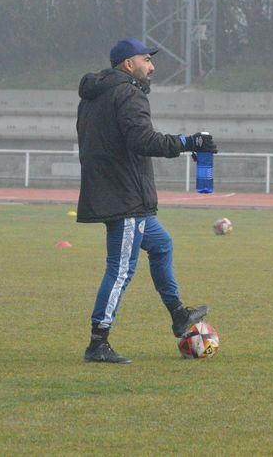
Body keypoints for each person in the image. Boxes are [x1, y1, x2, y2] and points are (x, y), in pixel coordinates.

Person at [76, 37, 218, 364]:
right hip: (125, 198)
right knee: (121, 269)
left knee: (161, 244)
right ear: (129, 64)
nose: (151, 67)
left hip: (117, 193)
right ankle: (98, 343)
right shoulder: (127, 93)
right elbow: (143, 140)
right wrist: (189, 141)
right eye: (147, 60)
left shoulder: (93, 97)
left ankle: (179, 314)